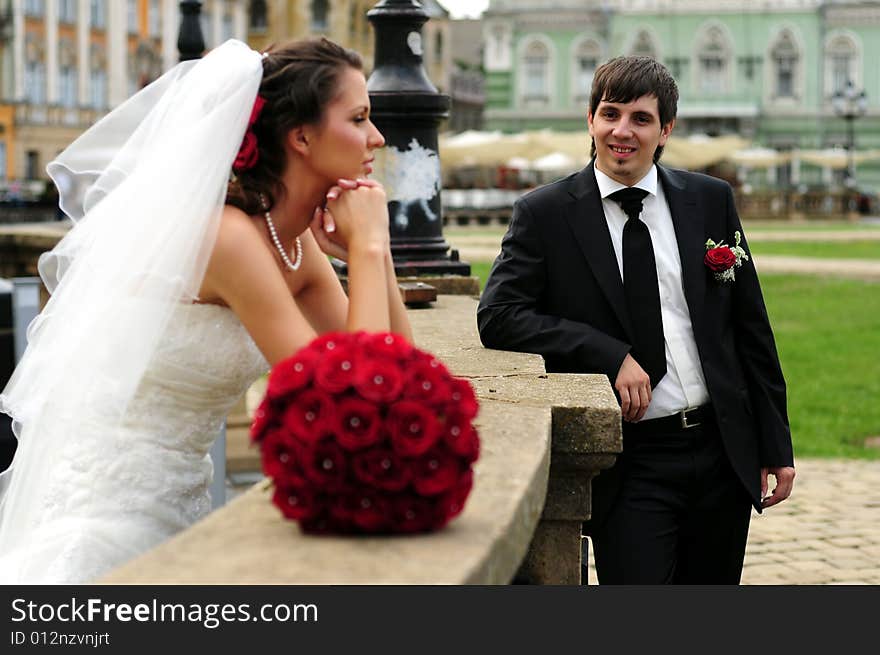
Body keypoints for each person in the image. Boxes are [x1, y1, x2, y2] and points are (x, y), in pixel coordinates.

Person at [0, 37, 411, 584]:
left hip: (183, 499)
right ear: (302, 137)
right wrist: (366, 248)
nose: (377, 138)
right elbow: (348, 403)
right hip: (109, 516)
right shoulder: (229, 239)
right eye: (359, 118)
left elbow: (398, 373)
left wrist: (373, 256)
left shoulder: (288, 242)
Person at [477, 56, 795, 584]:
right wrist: (608, 353)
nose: (622, 131)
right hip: (632, 460)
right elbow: (499, 316)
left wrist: (774, 443)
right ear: (591, 119)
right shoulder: (545, 213)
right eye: (611, 113)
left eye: (640, 119)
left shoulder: (710, 201)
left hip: (722, 450)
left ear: (665, 129)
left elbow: (750, 327)